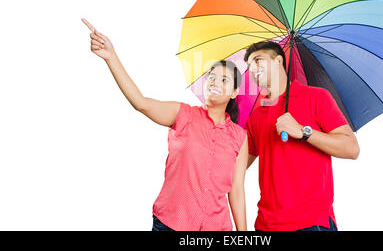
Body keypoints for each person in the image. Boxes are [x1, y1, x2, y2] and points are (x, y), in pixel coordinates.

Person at [82, 18, 248, 231]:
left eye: (224, 80)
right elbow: (141, 103)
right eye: (212, 77)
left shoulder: (239, 137)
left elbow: (236, 189)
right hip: (171, 224)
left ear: (235, 93)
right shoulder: (183, 114)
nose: (215, 83)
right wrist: (111, 57)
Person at [243, 41, 360, 231]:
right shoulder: (256, 115)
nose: (252, 68)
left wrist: (304, 132)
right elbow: (236, 166)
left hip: (311, 222)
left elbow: (351, 148)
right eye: (249, 65)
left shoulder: (316, 97)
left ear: (278, 60)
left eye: (258, 60)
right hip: (266, 226)